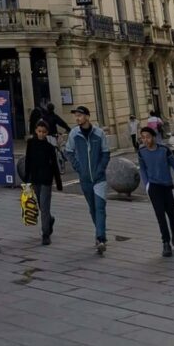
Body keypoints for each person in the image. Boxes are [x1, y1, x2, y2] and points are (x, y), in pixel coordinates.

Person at [65, 105, 110, 254]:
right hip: (84, 179)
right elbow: (69, 152)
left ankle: (101, 238)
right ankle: (99, 233)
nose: (77, 118)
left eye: (80, 115)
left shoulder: (99, 133)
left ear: (87, 117)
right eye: (76, 115)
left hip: (99, 178)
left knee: (100, 208)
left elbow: (105, 153)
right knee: (92, 208)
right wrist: (78, 167)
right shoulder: (74, 133)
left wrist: (101, 168)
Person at [137, 125, 174, 256]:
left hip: (167, 186)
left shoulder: (164, 150)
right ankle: (166, 243)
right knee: (160, 216)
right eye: (143, 138)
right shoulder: (141, 152)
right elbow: (142, 169)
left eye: (147, 137)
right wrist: (147, 184)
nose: (145, 140)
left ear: (153, 137)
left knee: (171, 214)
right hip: (154, 187)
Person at [24, 120, 63, 245]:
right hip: (35, 179)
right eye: (39, 131)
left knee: (45, 207)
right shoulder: (30, 144)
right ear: (36, 131)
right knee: (41, 206)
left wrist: (58, 182)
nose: (41, 134)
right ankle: (50, 220)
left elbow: (55, 166)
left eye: (44, 132)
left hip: (46, 179)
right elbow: (28, 161)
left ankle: (45, 234)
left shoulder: (50, 147)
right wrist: (26, 179)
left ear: (47, 133)